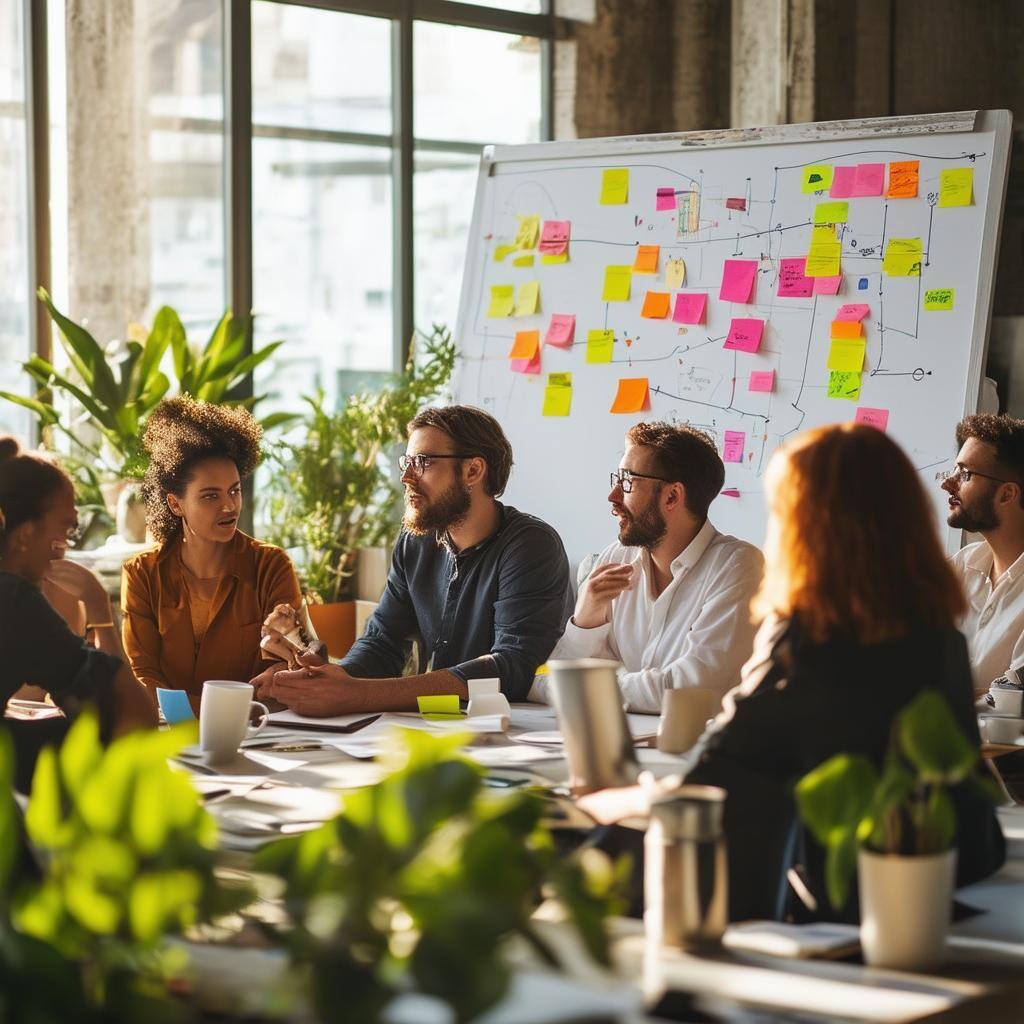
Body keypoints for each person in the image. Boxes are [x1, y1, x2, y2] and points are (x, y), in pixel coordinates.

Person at [579, 424, 1004, 922]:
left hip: (816, 897)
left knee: (579, 849)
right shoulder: (939, 641)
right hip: (913, 890)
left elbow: (720, 772)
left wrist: (616, 802)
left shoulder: (806, 637)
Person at [257, 405, 574, 716]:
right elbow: (383, 642)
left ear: (473, 471)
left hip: (516, 729)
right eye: (406, 462)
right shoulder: (416, 541)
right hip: (438, 721)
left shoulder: (531, 545)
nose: (407, 477)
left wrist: (357, 694)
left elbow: (513, 666)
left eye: (422, 462)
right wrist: (329, 679)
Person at [532, 422, 763, 712]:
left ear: (672, 497)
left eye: (627, 481)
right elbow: (555, 675)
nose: (613, 497)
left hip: (696, 751)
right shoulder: (616, 558)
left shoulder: (738, 567)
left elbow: (692, 687)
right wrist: (585, 622)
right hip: (618, 742)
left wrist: (575, 690)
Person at [121, 397, 304, 708]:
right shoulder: (142, 573)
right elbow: (143, 677)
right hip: (169, 734)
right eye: (210, 496)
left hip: (258, 731)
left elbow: (297, 666)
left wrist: (296, 650)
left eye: (234, 490)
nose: (228, 506)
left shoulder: (271, 565)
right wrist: (221, 709)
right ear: (175, 504)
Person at [0, 437, 156, 789]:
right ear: (25, 534)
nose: (63, 549)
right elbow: (133, 712)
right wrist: (98, 606)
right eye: (65, 530)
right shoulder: (13, 598)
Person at [942, 413, 1024, 697]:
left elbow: (1009, 701)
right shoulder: (963, 564)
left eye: (964, 474)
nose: (947, 484)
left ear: (1007, 495)